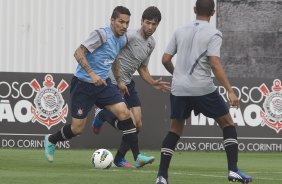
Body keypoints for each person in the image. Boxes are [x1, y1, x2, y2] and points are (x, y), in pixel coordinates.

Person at [44, 6, 154, 167]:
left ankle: (137, 156)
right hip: (83, 85)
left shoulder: (122, 39)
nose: (124, 26)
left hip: (104, 85)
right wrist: (92, 74)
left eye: (127, 23)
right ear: (112, 21)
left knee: (125, 113)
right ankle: (51, 140)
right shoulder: (101, 34)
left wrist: (120, 81)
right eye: (121, 22)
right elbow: (78, 52)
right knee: (77, 129)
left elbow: (115, 59)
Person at [155, 0, 253, 183]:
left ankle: (161, 176)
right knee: (227, 123)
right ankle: (233, 170)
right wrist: (230, 91)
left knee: (175, 130)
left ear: (194, 10)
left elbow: (165, 59)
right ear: (213, 12)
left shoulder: (179, 30)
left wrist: (178, 75)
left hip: (179, 88)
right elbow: (214, 63)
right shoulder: (214, 33)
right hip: (201, 87)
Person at [91, 6, 170, 168]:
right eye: (148, 23)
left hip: (128, 83)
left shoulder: (151, 44)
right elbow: (112, 50)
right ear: (141, 22)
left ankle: (119, 158)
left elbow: (142, 68)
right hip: (113, 81)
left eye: (154, 24)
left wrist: (153, 82)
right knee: (131, 122)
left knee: (138, 124)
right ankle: (103, 116)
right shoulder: (130, 36)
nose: (150, 27)